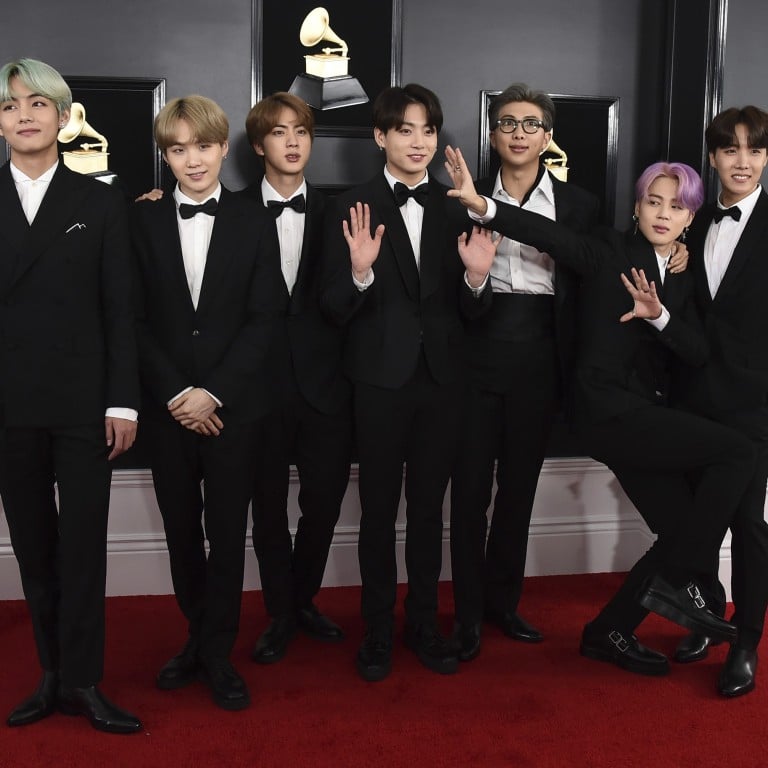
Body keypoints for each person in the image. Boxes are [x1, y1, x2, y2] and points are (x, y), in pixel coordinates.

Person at [447, 154, 756, 676]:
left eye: (676, 207)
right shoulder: (609, 250)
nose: (663, 213)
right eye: (653, 202)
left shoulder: (681, 273)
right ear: (636, 208)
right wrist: (486, 208)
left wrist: (659, 317)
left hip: (644, 417)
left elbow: (699, 352)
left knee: (677, 529)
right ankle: (688, 584)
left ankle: (606, 632)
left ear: (689, 218)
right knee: (740, 452)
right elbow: (547, 234)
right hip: (604, 411)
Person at [321, 83, 497, 682]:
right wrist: (360, 274)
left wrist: (477, 282)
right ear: (380, 137)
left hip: (443, 383)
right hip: (376, 382)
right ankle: (376, 630)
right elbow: (331, 307)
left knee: (429, 512)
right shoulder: (350, 205)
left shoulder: (458, 207)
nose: (418, 141)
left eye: (427, 130)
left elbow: (474, 315)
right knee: (377, 513)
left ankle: (423, 623)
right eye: (405, 130)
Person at [0, 58, 141, 733]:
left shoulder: (100, 201)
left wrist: (123, 402)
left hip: (86, 405)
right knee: (34, 547)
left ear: (62, 115)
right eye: (9, 106)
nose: (23, 115)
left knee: (84, 548)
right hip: (8, 406)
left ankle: (85, 681)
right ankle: (51, 672)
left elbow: (121, 310)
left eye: (36, 103)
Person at [131, 95, 285, 710]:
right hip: (170, 410)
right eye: (177, 149)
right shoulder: (138, 220)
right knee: (179, 532)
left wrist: (212, 391)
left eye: (202, 146)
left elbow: (265, 318)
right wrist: (177, 393)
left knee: (226, 532)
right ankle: (196, 638)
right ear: (165, 156)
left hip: (232, 408)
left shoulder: (256, 221)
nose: (191, 159)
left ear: (224, 148)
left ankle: (217, 653)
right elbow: (133, 320)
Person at [447, 83, 600, 661]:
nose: (518, 132)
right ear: (493, 133)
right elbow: (449, 303)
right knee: (468, 497)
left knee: (518, 493)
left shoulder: (579, 205)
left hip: (542, 360)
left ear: (548, 136)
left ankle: (501, 605)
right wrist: (477, 280)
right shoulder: (457, 199)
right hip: (476, 356)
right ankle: (465, 616)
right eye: (507, 122)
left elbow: (592, 266)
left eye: (530, 124)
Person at [242, 92, 352, 663]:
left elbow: (352, 304)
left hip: (325, 387)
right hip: (256, 389)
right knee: (265, 508)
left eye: (302, 132)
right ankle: (280, 613)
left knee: (324, 504)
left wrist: (359, 275)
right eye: (280, 132)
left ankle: (303, 599)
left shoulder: (343, 212)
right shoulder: (232, 210)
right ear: (260, 144)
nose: (292, 142)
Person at [671, 105, 768, 697]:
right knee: (695, 519)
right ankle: (705, 619)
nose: (743, 161)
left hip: (754, 405)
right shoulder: (692, 219)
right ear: (712, 157)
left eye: (754, 149)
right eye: (730, 149)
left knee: (749, 526)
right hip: (691, 399)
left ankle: (748, 641)